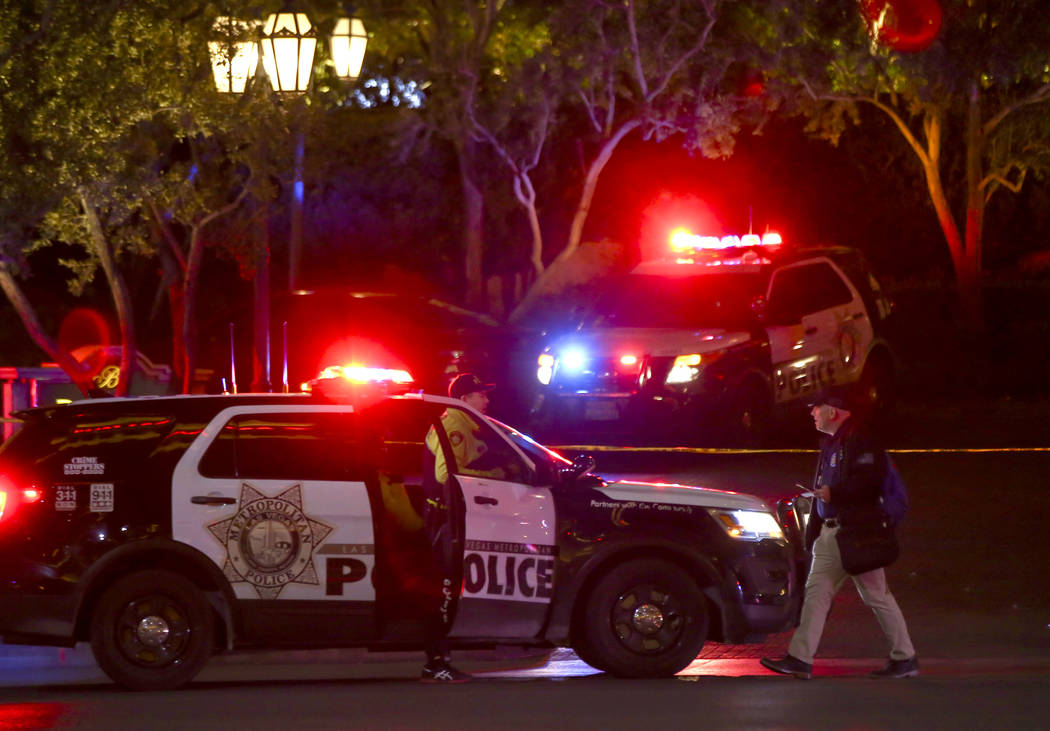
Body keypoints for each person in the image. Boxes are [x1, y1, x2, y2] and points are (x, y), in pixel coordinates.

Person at [761, 390, 918, 680]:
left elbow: (868, 484)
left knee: (874, 596)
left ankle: (905, 657)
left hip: (855, 535)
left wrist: (834, 493)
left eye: (816, 408)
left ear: (833, 411)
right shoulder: (837, 443)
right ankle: (800, 658)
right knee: (820, 595)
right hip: (835, 535)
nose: (812, 413)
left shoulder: (860, 441)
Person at [418, 373, 498, 683]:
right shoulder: (454, 426)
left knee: (449, 592)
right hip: (444, 522)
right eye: (481, 395)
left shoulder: (467, 426)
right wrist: (491, 473)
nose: (487, 400)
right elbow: (444, 475)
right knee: (445, 592)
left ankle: (438, 660)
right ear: (465, 400)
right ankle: (436, 663)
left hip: (452, 519)